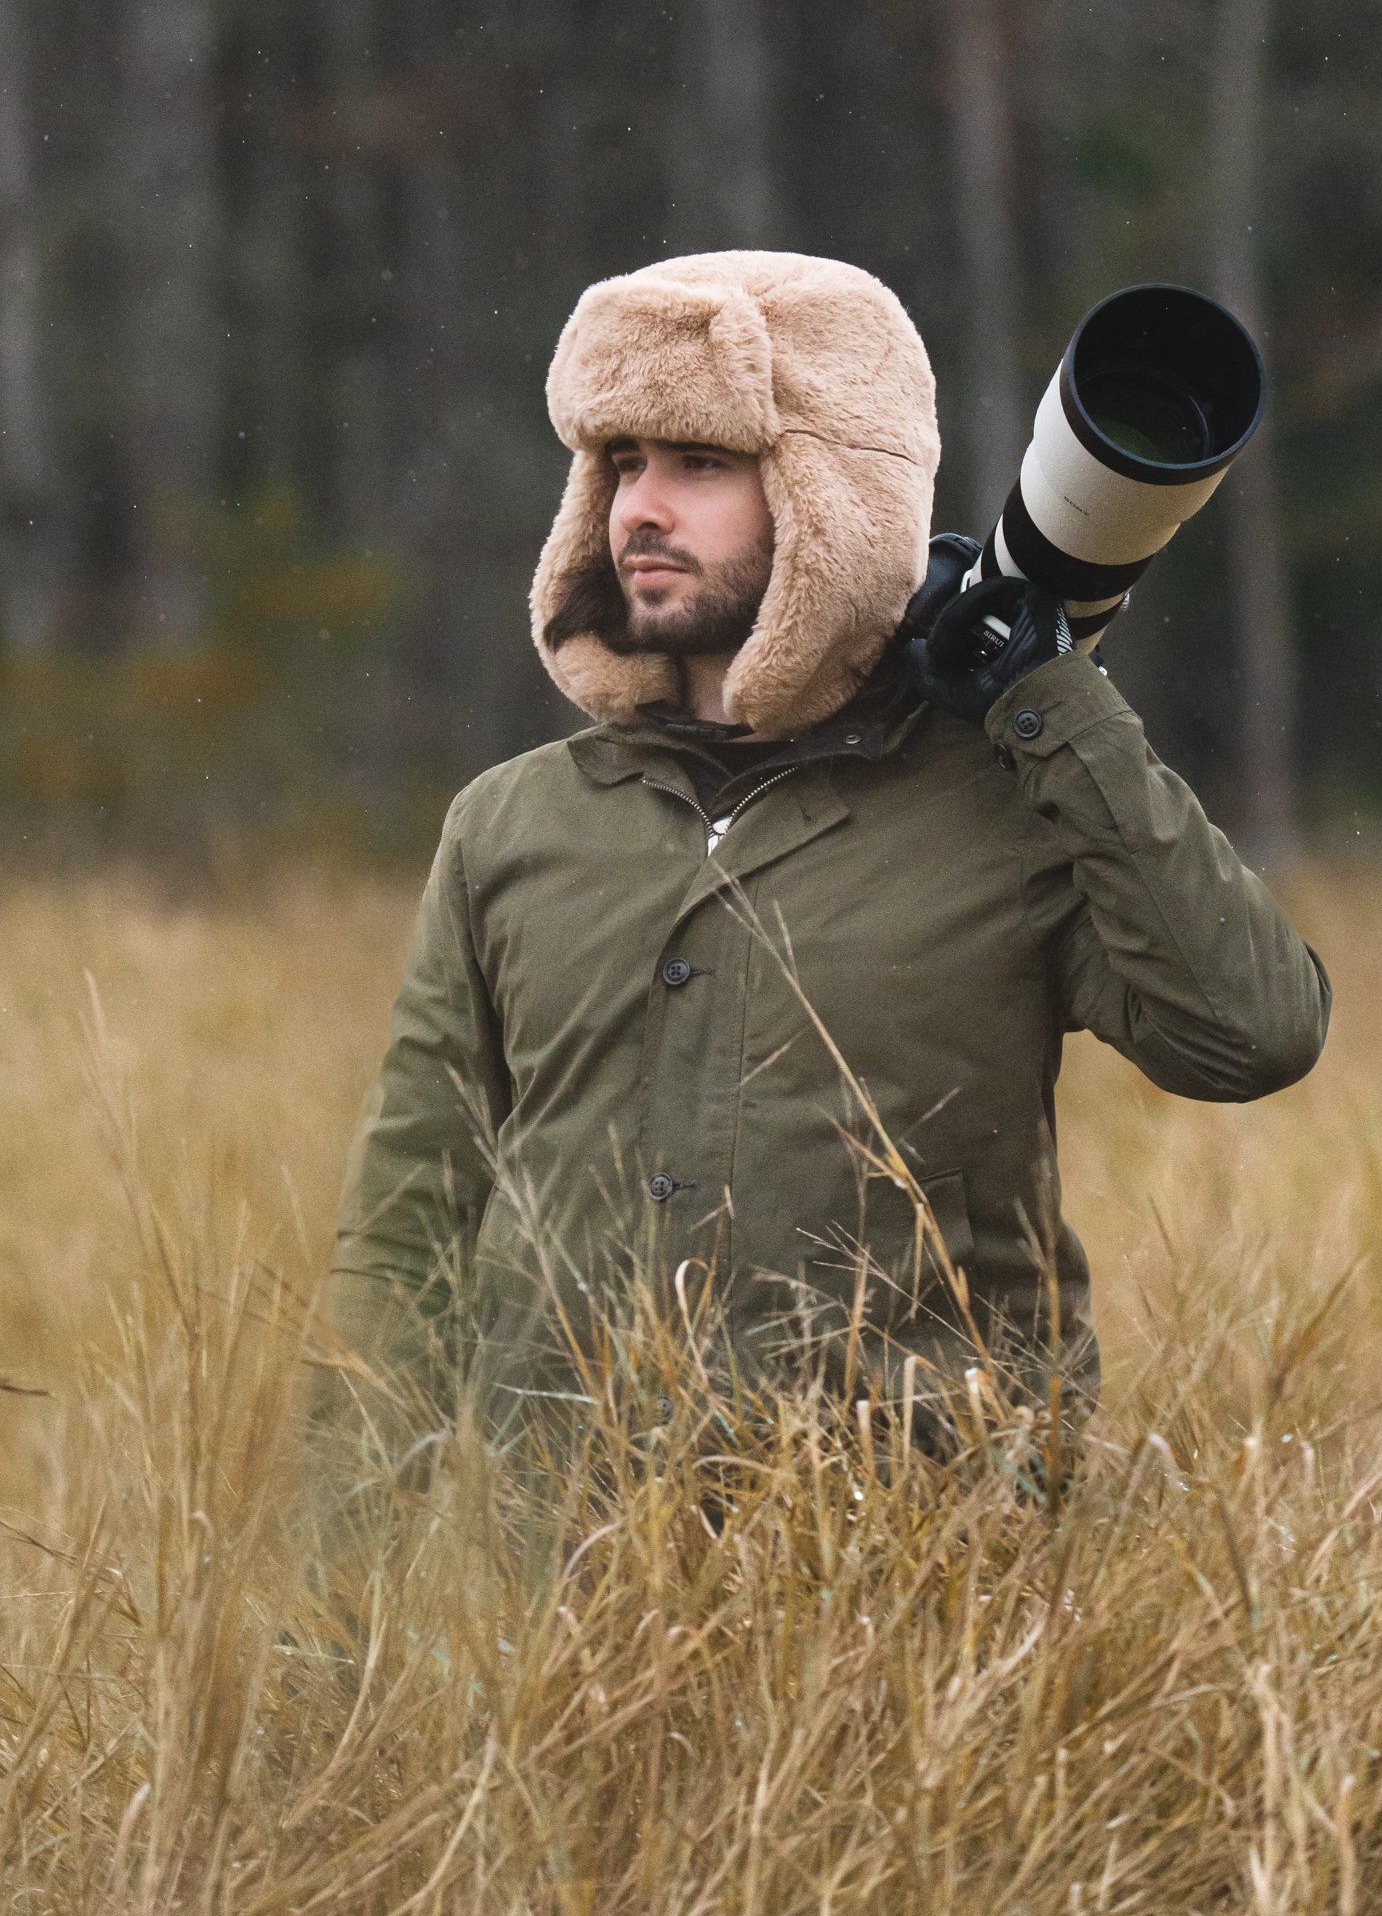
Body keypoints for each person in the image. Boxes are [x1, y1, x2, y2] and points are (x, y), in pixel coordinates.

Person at [312, 249, 1330, 1473]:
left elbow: (1250, 1033)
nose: (639, 508)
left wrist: (1056, 700)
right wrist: (351, 1549)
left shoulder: (1019, 801)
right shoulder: (510, 824)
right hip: (558, 1559)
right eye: (622, 461)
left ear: (830, 491)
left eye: (699, 461)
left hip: (927, 1556)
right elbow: (408, 1217)